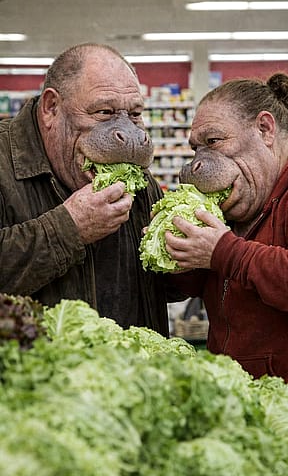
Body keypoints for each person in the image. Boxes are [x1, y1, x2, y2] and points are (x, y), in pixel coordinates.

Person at [0, 42, 183, 337]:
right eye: (104, 111)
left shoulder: (138, 180)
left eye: (134, 114)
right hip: (27, 378)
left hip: (123, 374)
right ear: (51, 108)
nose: (129, 133)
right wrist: (68, 229)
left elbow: (163, 287)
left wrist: (189, 255)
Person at [165, 72, 288, 407]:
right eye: (196, 148)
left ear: (265, 129)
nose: (200, 162)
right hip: (244, 409)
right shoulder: (242, 198)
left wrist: (222, 250)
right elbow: (204, 284)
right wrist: (178, 251)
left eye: (214, 141)